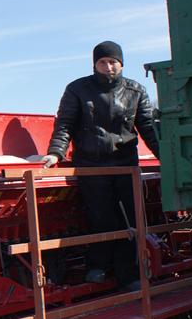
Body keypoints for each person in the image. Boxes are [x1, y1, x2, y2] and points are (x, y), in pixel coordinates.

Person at [42, 41, 160, 290]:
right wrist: (55, 153)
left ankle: (129, 276)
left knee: (129, 218)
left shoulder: (136, 90)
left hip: (125, 164)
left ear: (121, 64)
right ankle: (97, 266)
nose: (108, 67)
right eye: (102, 62)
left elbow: (148, 127)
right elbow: (65, 124)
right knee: (100, 217)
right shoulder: (77, 89)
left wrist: (165, 156)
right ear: (95, 64)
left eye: (113, 62)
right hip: (90, 165)